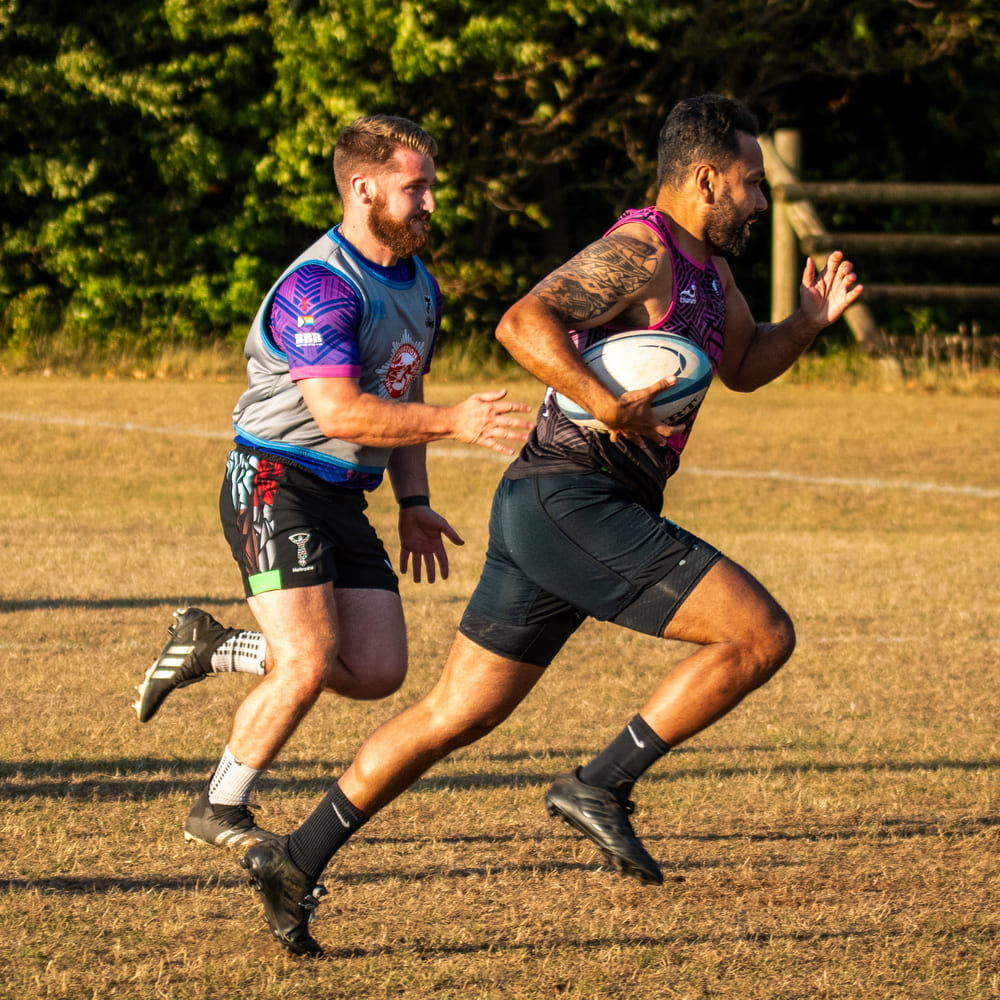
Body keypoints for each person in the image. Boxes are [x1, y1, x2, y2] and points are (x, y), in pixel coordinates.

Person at [238, 93, 864, 957]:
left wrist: (808, 323)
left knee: (453, 714)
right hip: (570, 495)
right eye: (752, 184)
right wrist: (608, 404)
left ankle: (294, 859)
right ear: (707, 178)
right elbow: (522, 322)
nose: (759, 201)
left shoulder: (709, 271)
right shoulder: (639, 250)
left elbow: (748, 364)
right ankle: (600, 785)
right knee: (758, 634)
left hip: (579, 507)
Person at [133, 114, 533, 851]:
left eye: (431, 188)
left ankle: (212, 646)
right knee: (310, 660)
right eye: (416, 189)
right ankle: (219, 806)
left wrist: (415, 502)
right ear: (363, 187)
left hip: (344, 495)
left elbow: (403, 396)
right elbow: (341, 411)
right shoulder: (320, 287)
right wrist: (455, 423)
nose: (431, 204)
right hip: (273, 481)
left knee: (377, 669)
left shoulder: (419, 285)